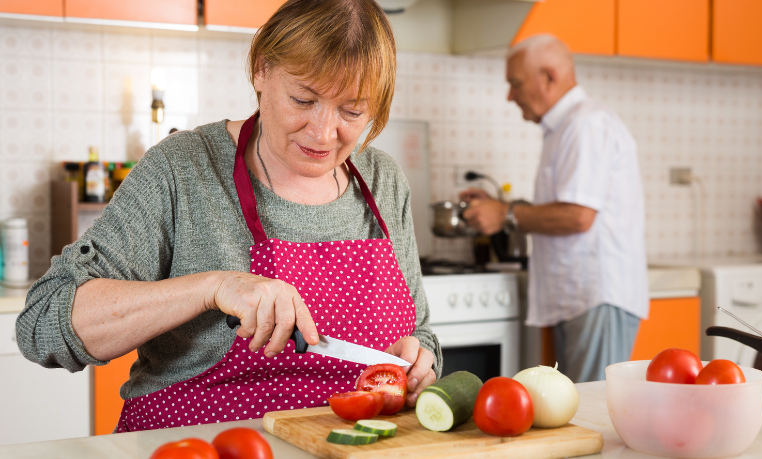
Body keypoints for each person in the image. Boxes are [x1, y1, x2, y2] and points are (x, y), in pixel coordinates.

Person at [17, 0, 440, 432]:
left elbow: (422, 335)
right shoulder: (183, 169)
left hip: (346, 445)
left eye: (352, 111)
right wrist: (214, 286)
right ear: (261, 69)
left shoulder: (382, 179)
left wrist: (416, 362)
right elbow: (43, 325)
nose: (323, 132)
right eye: (303, 99)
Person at [461, 34, 648, 383]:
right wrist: (503, 208)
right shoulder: (566, 127)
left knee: (592, 414)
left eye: (515, 84)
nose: (510, 96)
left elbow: (578, 216)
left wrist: (506, 214)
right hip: (580, 297)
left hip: (596, 297)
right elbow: (569, 208)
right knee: (579, 410)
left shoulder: (585, 125)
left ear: (548, 76)